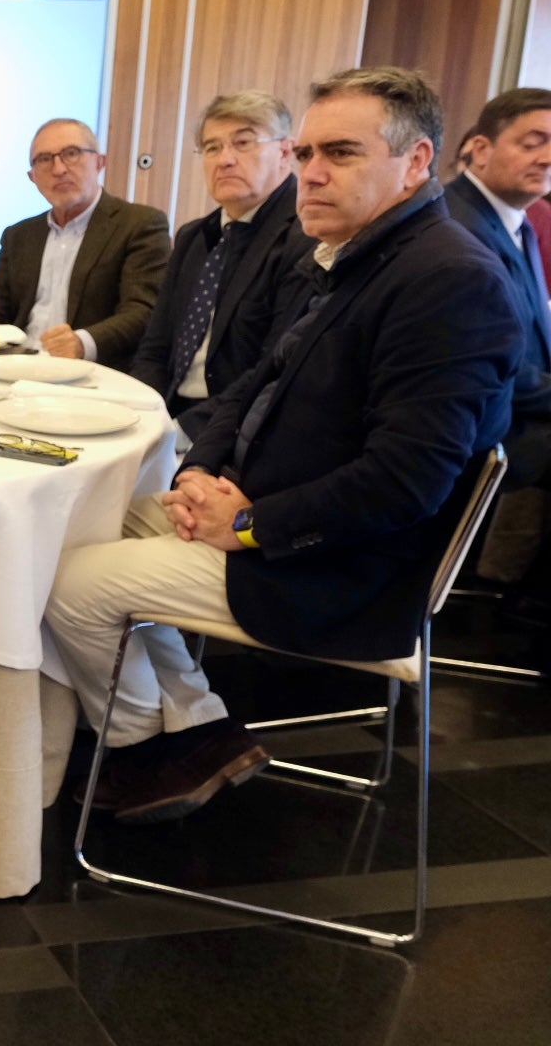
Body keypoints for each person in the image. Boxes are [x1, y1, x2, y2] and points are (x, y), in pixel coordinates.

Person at [43, 67, 520, 824]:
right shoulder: (347, 256)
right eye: (304, 155)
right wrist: (199, 468)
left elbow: (406, 482)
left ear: (418, 162)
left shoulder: (449, 280)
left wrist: (250, 525)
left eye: (343, 154)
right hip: (266, 517)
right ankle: (199, 728)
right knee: (92, 524)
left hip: (342, 569)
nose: (314, 174)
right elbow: (251, 385)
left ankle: (136, 747)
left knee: (68, 585)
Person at [130, 92, 315, 438]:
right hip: (167, 413)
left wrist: (178, 434)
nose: (225, 159)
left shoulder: (305, 238)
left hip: (237, 429)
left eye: (243, 142)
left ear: (286, 152)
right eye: (212, 147)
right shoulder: (193, 236)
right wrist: (140, 416)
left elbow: (273, 369)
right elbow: (155, 348)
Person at [442, 89, 551, 593]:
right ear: (480, 150)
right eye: (535, 142)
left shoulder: (518, 223)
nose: (548, 157)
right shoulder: (458, 226)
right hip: (482, 433)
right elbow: (486, 363)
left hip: (522, 415)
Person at [0, 118, 170, 371]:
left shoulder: (140, 224)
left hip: (92, 376)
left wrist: (82, 342)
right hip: (18, 372)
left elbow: (144, 311)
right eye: (44, 159)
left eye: (71, 153)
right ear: (32, 177)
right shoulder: (18, 235)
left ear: (100, 163)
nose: (59, 168)